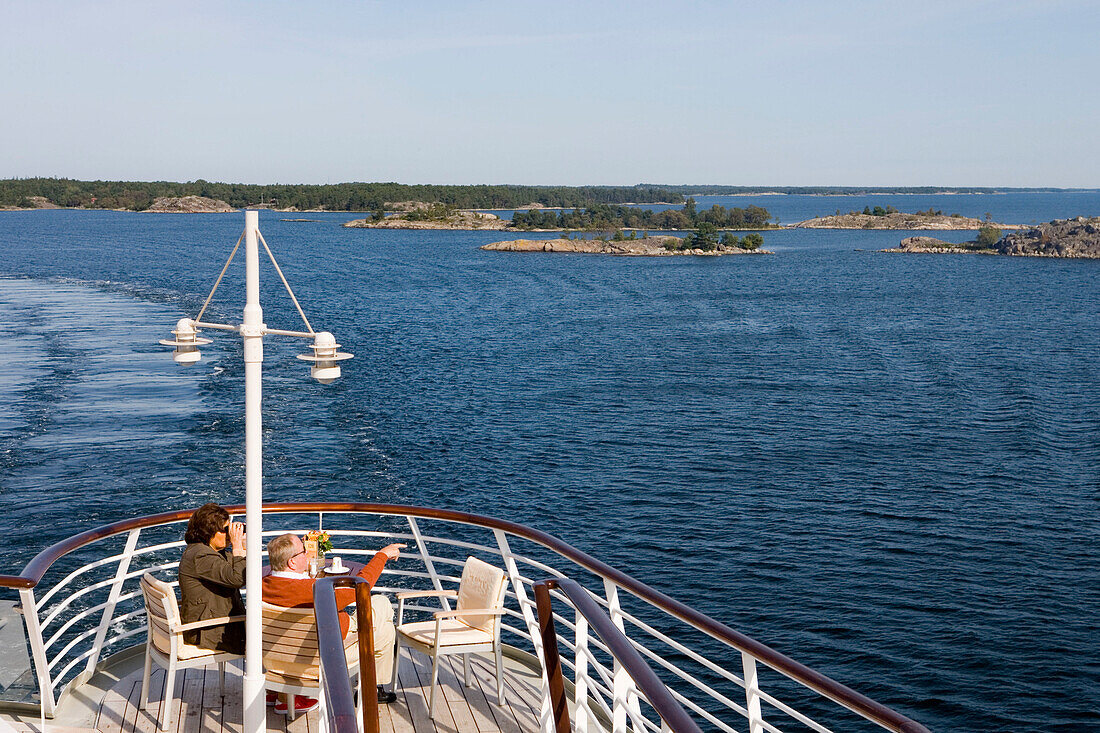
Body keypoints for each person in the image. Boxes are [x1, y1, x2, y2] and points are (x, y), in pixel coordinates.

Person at [262, 533, 403, 715]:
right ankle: (372, 689)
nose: (307, 554)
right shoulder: (315, 591)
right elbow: (360, 586)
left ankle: (279, 693)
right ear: (292, 562)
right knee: (382, 608)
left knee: (385, 628)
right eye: (304, 551)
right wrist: (382, 555)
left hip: (277, 660)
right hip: (322, 659)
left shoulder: (262, 586)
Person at [177, 503, 246, 654]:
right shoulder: (201, 556)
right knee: (269, 637)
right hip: (208, 632)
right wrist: (237, 547)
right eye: (225, 530)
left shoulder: (207, 551)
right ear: (209, 531)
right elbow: (238, 578)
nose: (229, 535)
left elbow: (236, 568)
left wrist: (243, 546)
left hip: (208, 624)